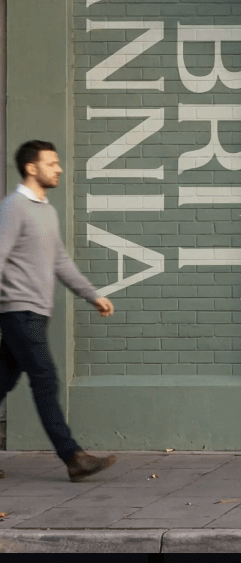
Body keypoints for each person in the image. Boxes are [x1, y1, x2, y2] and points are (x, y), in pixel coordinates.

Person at [0, 141, 116, 481]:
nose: (59, 168)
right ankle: (73, 457)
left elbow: (60, 261)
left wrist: (91, 294)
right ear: (32, 168)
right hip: (19, 310)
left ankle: (73, 456)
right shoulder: (14, 208)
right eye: (51, 163)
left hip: (35, 312)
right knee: (45, 379)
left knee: (2, 381)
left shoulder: (46, 211)